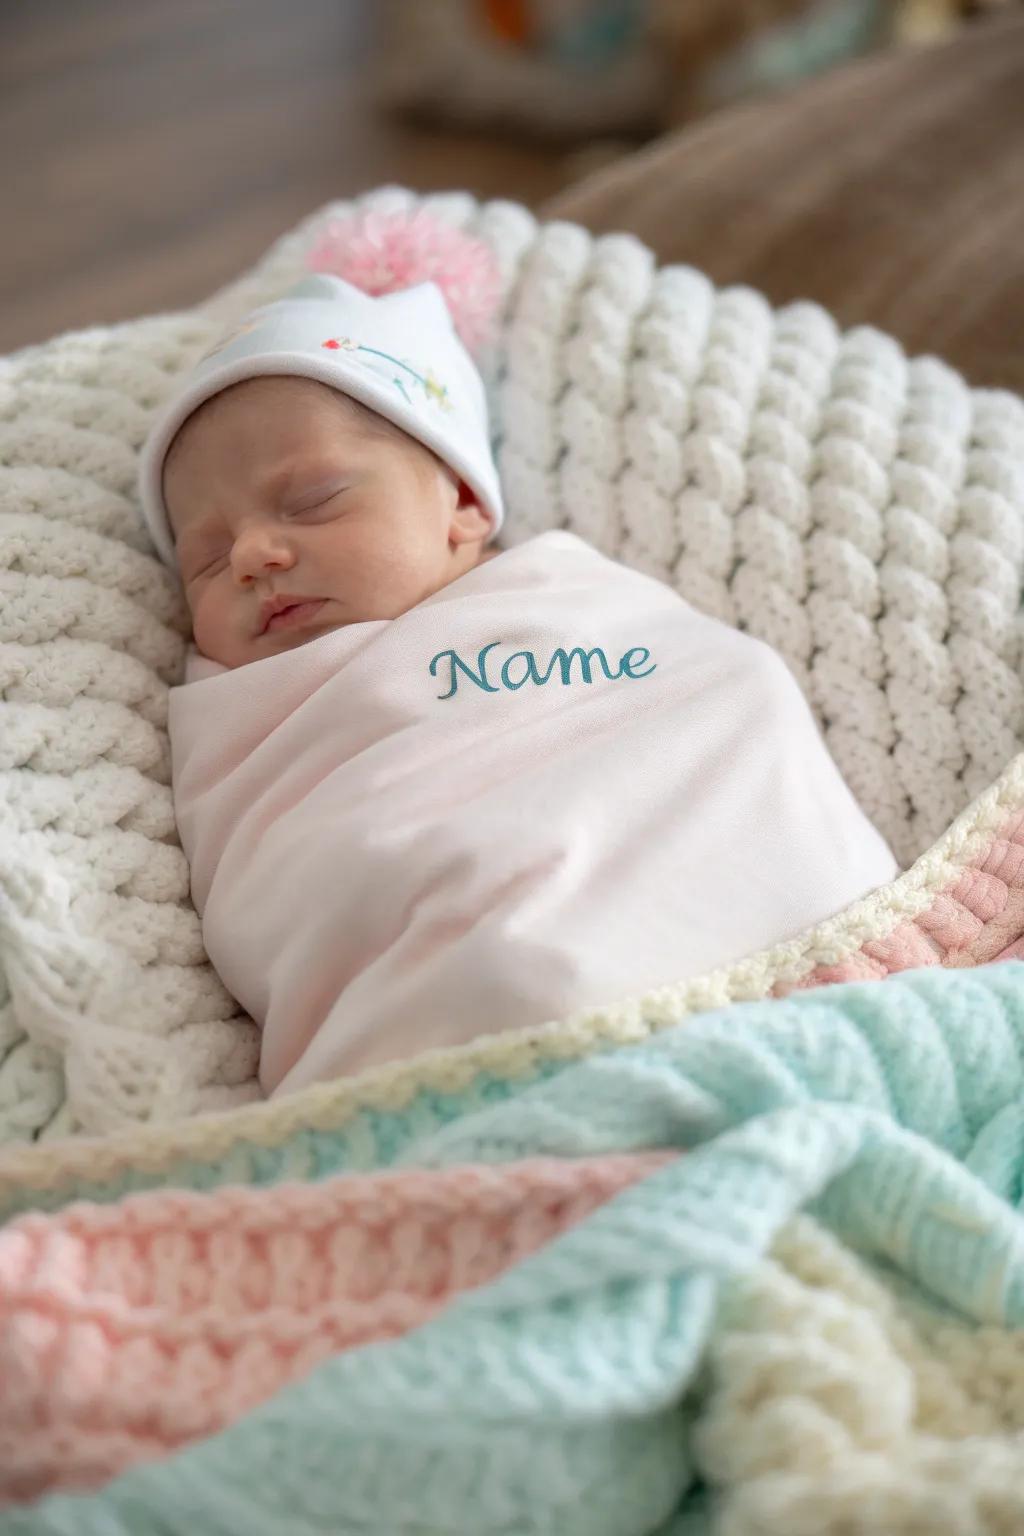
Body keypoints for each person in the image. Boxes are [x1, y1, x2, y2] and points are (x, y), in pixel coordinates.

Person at [138, 269, 900, 1099]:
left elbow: (721, 701)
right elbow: (290, 872)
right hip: (488, 1008)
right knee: (512, 978)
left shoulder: (567, 602)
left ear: (463, 502)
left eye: (313, 501)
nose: (252, 555)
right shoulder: (241, 720)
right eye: (204, 559)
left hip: (786, 961)